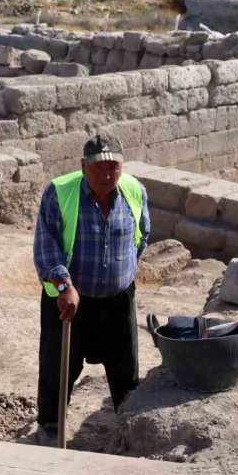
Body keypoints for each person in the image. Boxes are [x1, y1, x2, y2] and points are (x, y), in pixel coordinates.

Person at [31, 134, 150, 444]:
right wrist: (63, 284)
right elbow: (46, 247)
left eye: (113, 167)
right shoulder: (60, 192)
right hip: (70, 302)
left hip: (118, 301)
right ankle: (50, 427)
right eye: (98, 167)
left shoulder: (134, 191)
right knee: (59, 367)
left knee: (125, 370)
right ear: (83, 166)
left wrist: (122, 270)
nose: (106, 175)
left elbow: (142, 235)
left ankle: (129, 428)